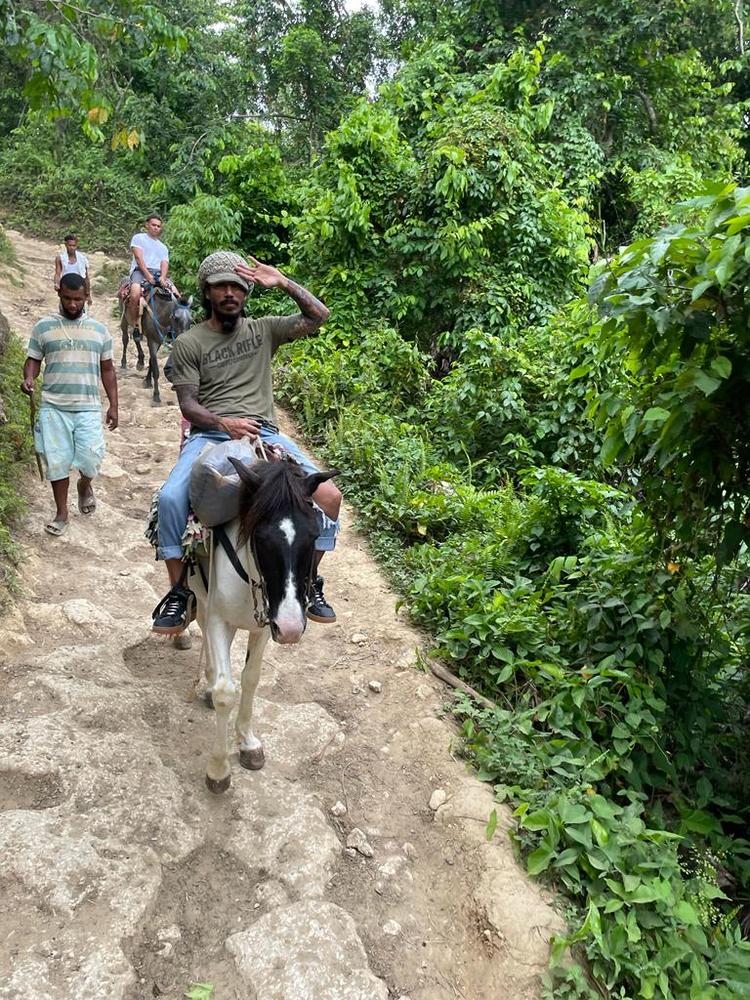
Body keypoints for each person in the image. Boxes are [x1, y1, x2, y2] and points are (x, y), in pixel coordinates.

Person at [151, 250, 342, 635]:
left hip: (265, 433)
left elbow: (319, 316)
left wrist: (284, 281)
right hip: (209, 434)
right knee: (171, 498)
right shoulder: (189, 342)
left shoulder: (263, 330)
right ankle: (180, 592)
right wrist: (224, 422)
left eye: (237, 286)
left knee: (330, 498)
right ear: (207, 292)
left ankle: (308, 583)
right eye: (221, 286)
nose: (229, 293)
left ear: (246, 293)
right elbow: (188, 404)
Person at [21, 273, 118, 537]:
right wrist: (29, 377)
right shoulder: (43, 327)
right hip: (53, 406)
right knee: (57, 461)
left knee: (91, 459)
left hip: (88, 407)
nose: (73, 304)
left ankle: (85, 484)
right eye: (67, 298)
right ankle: (61, 513)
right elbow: (33, 359)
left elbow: (107, 370)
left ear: (87, 296)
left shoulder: (99, 330)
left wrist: (113, 405)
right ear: (59, 295)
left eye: (78, 299)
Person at [125, 213, 177, 340]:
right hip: (140, 271)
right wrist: (148, 276)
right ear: (147, 225)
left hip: (158, 273)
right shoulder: (139, 238)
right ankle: (136, 325)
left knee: (176, 295)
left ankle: (172, 327)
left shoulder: (163, 247)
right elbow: (138, 258)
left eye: (158, 226)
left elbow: (164, 263)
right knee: (135, 293)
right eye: (153, 225)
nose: (156, 228)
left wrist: (163, 278)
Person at [54, 234, 92, 307]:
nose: (71, 248)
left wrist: (88, 294)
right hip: (66, 288)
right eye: (69, 245)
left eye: (73, 246)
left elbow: (86, 277)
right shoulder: (60, 258)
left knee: (80, 309)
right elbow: (57, 274)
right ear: (65, 245)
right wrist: (56, 283)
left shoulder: (82, 259)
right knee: (65, 308)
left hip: (79, 289)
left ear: (76, 245)